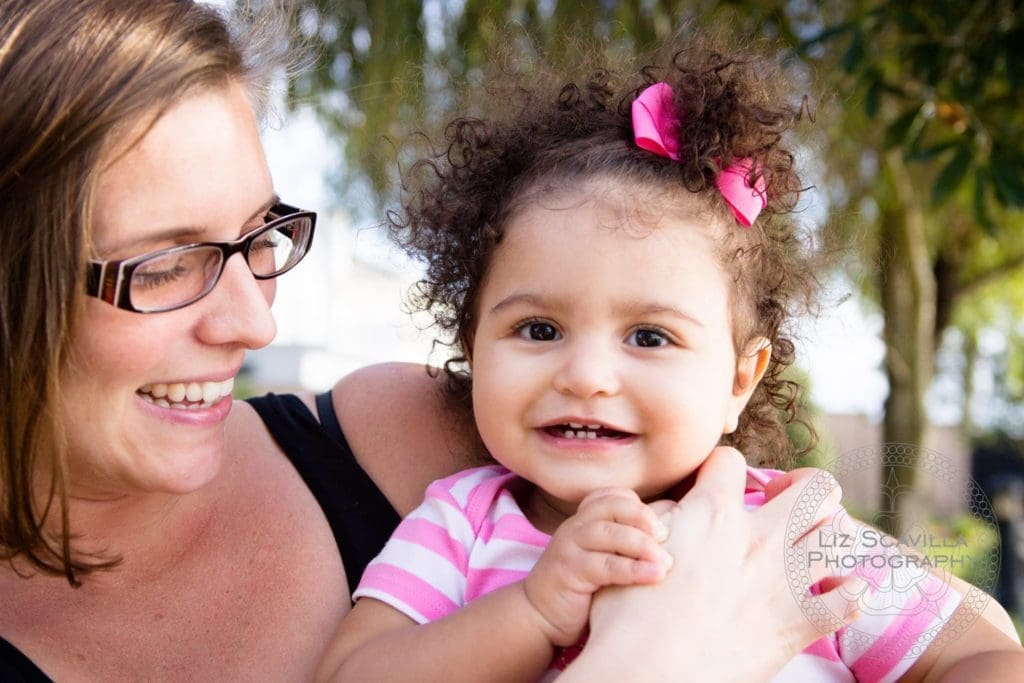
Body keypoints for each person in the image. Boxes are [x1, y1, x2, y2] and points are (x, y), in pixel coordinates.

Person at [0, 0, 955, 680]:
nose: (257, 322)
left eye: (262, 238)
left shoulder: (409, 432)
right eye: (163, 263)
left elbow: (973, 642)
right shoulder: (465, 522)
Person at [316, 38, 1024, 682]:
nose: (585, 375)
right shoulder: (461, 525)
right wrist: (532, 611)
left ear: (738, 381)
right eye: (538, 329)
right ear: (473, 347)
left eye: (649, 337)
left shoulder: (786, 528)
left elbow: (986, 654)